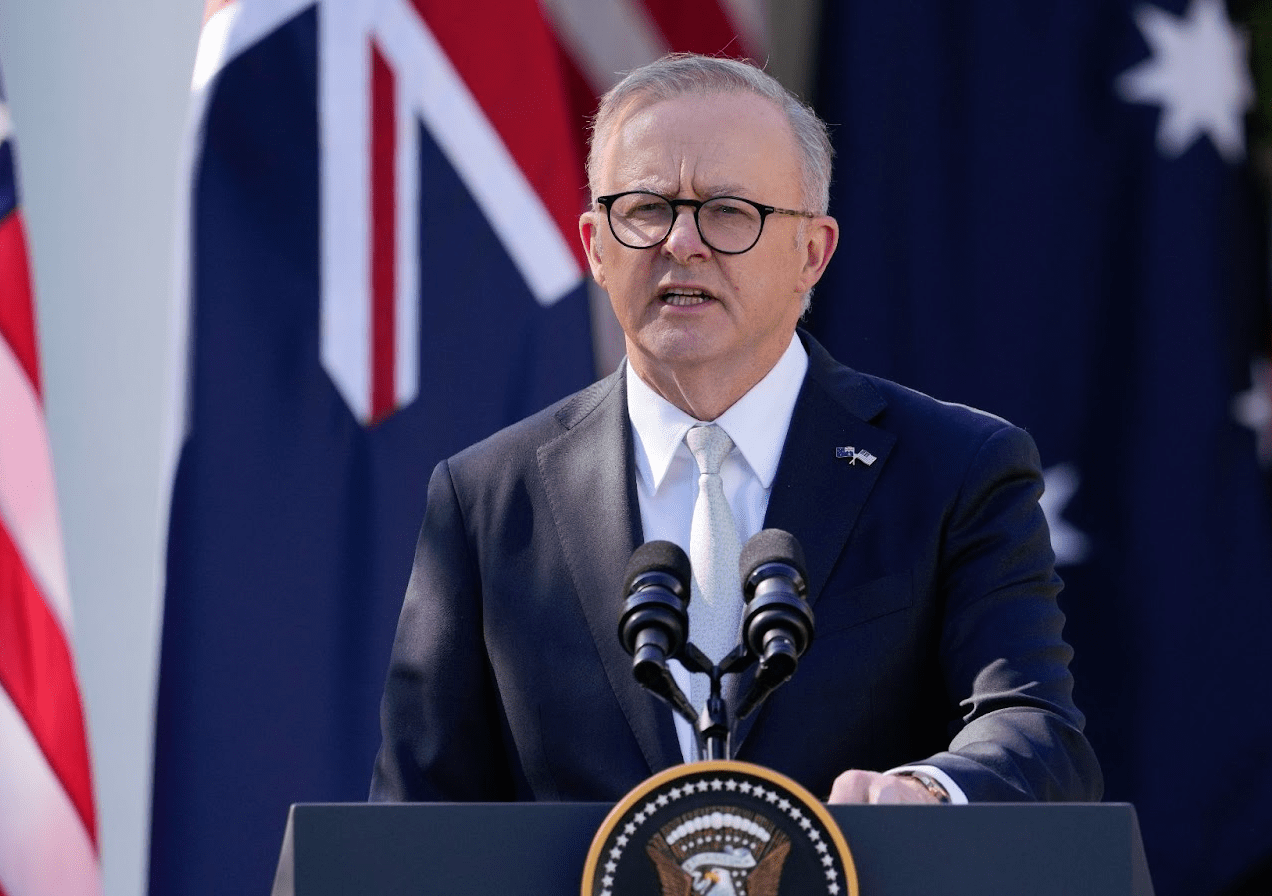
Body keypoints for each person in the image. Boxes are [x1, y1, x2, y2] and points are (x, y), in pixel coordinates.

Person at [370, 54, 1101, 807]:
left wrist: (928, 793)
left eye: (727, 211)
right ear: (595, 246)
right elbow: (414, 812)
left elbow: (1034, 729)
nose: (681, 243)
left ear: (812, 253)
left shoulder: (956, 470)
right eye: (646, 208)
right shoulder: (488, 500)